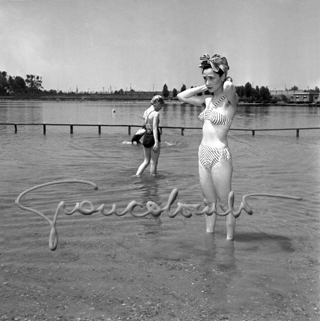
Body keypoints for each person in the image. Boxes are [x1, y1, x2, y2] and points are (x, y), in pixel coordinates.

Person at [177, 54, 238, 240]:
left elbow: (228, 88)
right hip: (202, 153)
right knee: (208, 202)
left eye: (211, 77)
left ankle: (229, 244)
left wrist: (223, 76)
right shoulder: (207, 101)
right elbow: (181, 96)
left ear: (222, 76)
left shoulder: (231, 101)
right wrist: (206, 86)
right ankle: (209, 241)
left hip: (219, 155)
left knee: (224, 204)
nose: (208, 82)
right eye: (205, 78)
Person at [136, 95, 164, 176]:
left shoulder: (146, 112)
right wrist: (156, 142)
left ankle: (137, 175)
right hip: (154, 137)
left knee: (146, 161)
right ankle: (153, 181)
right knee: (153, 162)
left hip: (146, 137)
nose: (161, 108)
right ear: (157, 103)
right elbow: (155, 127)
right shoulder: (156, 114)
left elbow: (145, 124)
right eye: (161, 105)